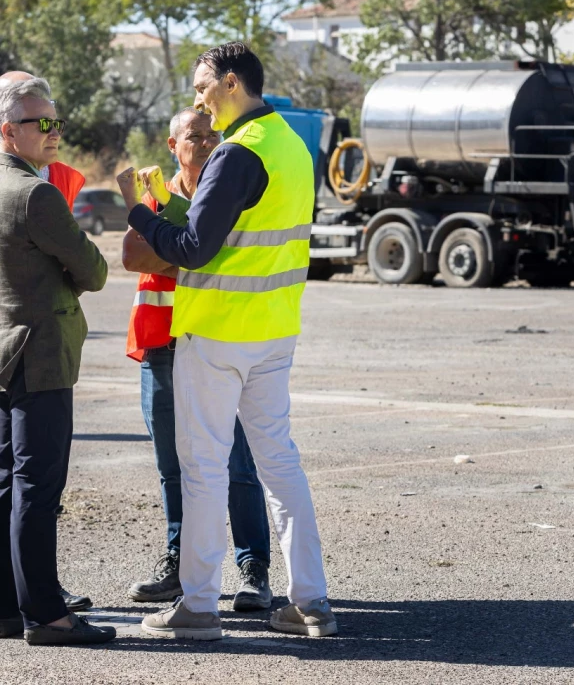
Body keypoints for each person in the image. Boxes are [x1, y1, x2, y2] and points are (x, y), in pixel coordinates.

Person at [118, 41, 336, 640]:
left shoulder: (237, 153)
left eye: (201, 88)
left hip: (217, 335)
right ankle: (311, 602)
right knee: (280, 464)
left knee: (204, 469)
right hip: (274, 331)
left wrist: (140, 211)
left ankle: (197, 606)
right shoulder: (292, 144)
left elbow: (192, 249)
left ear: (231, 84)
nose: (198, 101)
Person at [121, 107, 273, 610]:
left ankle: (254, 570)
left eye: (213, 134)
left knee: (237, 464)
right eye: (195, 135)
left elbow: (205, 251)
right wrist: (188, 248)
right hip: (160, 348)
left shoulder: (230, 189)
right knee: (172, 465)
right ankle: (179, 565)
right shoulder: (158, 193)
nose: (206, 142)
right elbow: (133, 257)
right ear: (172, 144)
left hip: (214, 342)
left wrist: (180, 246)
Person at [0, 78, 114, 645]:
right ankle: (47, 615)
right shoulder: (34, 194)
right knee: (37, 489)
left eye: (56, 120)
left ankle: (6, 604)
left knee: (7, 483)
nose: (54, 132)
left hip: (4, 350)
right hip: (40, 354)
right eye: (40, 123)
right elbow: (93, 271)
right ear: (8, 131)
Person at [0, 72, 85, 210]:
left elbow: (63, 231)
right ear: (10, 131)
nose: (56, 135)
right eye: (43, 124)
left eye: (56, 124)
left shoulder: (64, 177)